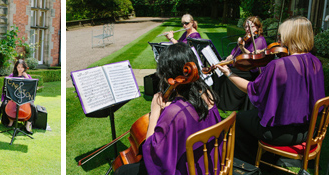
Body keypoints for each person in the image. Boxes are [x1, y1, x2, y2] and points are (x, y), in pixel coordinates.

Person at [218, 16, 324, 162]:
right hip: (307, 131)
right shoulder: (315, 62)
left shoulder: (279, 65)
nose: (278, 39)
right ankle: (264, 159)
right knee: (253, 117)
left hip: (280, 135)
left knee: (239, 119)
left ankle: (250, 164)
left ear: (291, 37)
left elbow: (253, 90)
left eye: (281, 36)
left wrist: (228, 73)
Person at [116, 43, 221, 175]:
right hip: (209, 165)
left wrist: (155, 112)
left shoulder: (174, 113)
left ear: (168, 76)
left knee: (122, 171)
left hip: (186, 170)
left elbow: (152, 153)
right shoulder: (207, 94)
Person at [212, 16, 268, 111]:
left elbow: (252, 59)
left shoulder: (259, 40)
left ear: (258, 27)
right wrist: (227, 59)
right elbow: (234, 53)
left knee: (227, 74)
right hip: (242, 66)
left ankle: (226, 104)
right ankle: (216, 99)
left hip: (251, 70)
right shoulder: (246, 39)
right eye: (246, 27)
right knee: (217, 72)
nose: (247, 29)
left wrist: (242, 48)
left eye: (251, 27)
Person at [0, 59, 36, 134]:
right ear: (16, 67)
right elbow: (6, 88)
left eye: (22, 67)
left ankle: (27, 126)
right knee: (5, 105)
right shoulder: (12, 76)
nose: (20, 69)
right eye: (18, 67)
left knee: (32, 107)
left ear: (24, 68)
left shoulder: (28, 76)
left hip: (24, 98)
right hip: (13, 98)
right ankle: (11, 121)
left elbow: (31, 88)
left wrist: (26, 77)